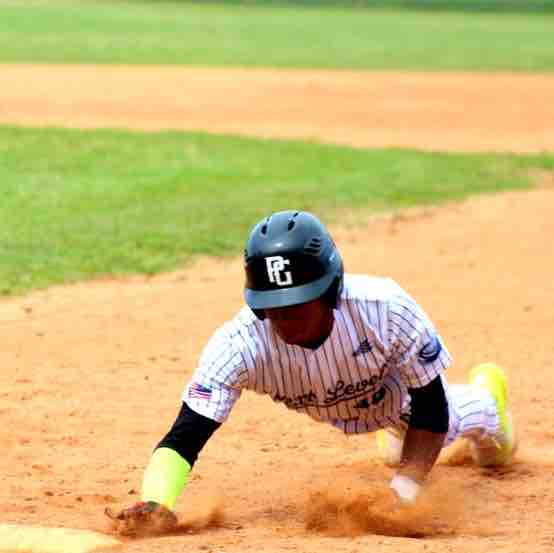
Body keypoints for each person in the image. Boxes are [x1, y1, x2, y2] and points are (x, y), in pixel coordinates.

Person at [106, 210, 516, 535]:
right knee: (402, 447)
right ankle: (396, 439)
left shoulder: (387, 310)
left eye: (299, 304)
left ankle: (487, 394)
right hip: (354, 400)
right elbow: (186, 435)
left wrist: (404, 492)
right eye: (273, 306)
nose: (285, 320)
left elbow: (431, 408)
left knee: (456, 435)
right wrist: (157, 502)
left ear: (331, 290)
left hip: (399, 398)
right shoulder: (238, 346)